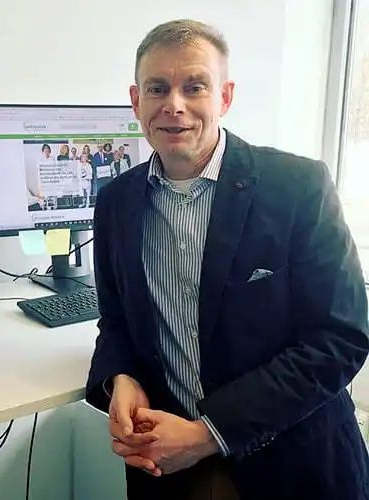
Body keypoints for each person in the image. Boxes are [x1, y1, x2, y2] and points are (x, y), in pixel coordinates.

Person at [85, 18, 369, 500]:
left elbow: (340, 337)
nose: (174, 104)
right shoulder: (116, 201)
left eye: (194, 86)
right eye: (158, 88)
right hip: (167, 467)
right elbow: (115, 320)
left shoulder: (298, 187)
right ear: (137, 101)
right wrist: (121, 378)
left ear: (225, 97)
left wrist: (207, 434)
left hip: (287, 460)